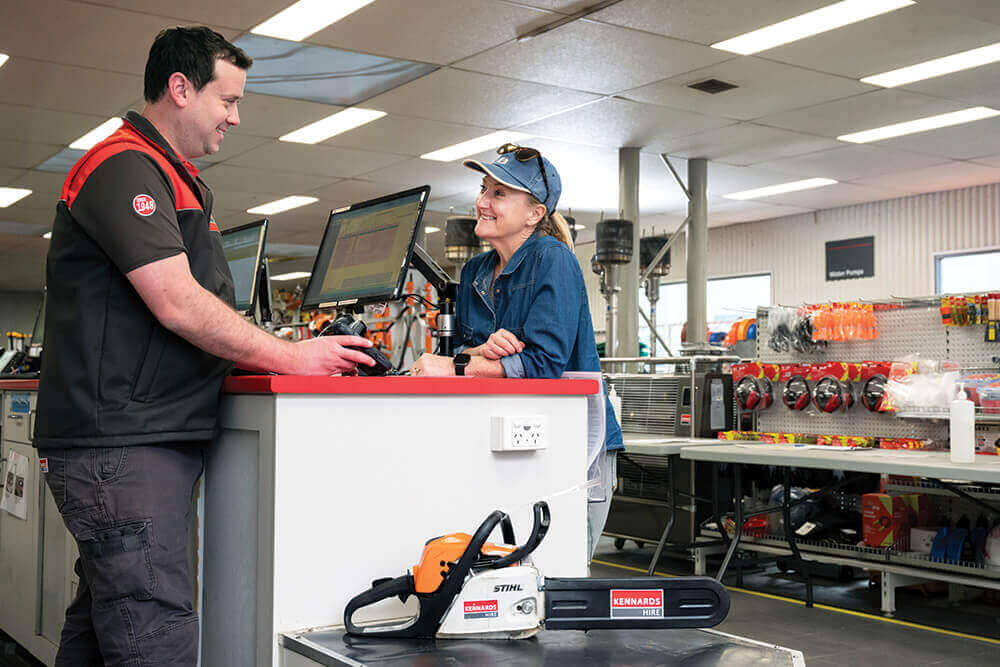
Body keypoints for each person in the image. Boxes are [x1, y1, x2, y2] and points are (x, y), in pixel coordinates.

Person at [34, 27, 373, 666]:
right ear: (181, 89)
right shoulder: (124, 165)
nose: (236, 117)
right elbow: (176, 300)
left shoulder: (170, 175)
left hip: (129, 442)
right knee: (153, 636)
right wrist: (292, 355)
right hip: (124, 447)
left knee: (109, 625)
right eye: (228, 100)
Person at [410, 144, 624, 559]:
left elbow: (542, 364)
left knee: (559, 569)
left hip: (573, 445)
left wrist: (464, 364)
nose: (481, 202)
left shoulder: (553, 260)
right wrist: (480, 353)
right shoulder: (474, 272)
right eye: (483, 189)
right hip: (507, 442)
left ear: (534, 213)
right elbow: (463, 353)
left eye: (498, 194)